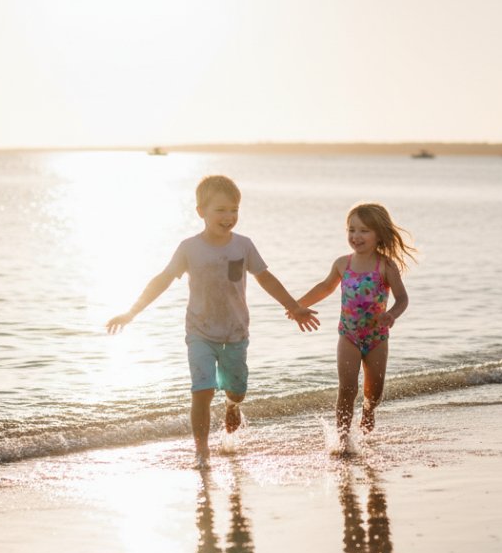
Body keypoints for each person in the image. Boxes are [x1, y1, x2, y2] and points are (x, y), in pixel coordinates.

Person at [107, 175, 320, 468]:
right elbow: (163, 280)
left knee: (237, 391)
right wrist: (131, 312)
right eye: (220, 210)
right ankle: (202, 451)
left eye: (234, 210)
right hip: (200, 332)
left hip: (235, 332)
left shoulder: (243, 246)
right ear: (201, 212)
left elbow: (266, 278)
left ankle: (232, 405)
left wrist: (294, 307)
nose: (229, 216)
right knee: (202, 390)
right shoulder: (189, 248)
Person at [292, 202, 416, 450]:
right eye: (351, 230)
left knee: (375, 392)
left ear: (379, 234)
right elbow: (325, 287)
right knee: (347, 387)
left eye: (364, 231)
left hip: (377, 338)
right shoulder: (342, 264)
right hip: (348, 335)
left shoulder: (386, 266)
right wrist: (297, 305)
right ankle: (342, 439)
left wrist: (391, 314)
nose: (356, 236)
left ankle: (369, 411)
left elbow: (403, 298)